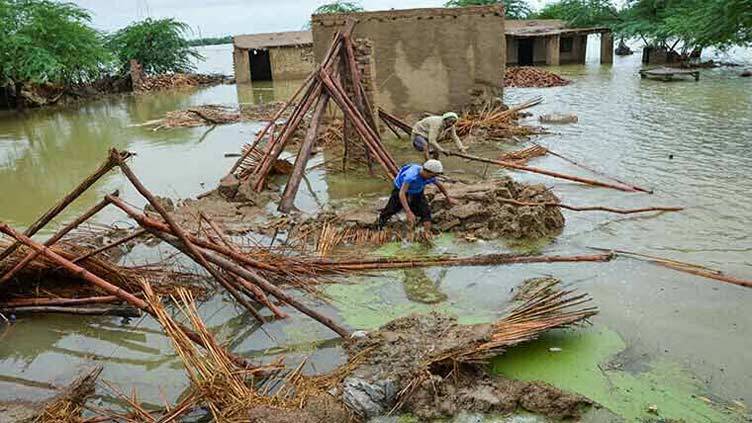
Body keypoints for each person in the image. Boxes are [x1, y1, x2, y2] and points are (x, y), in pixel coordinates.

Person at [378, 159, 456, 231]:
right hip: (401, 189)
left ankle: (426, 234)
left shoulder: (429, 176)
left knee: (426, 211)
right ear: (426, 171)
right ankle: (379, 227)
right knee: (391, 209)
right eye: (432, 176)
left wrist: (447, 197)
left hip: (417, 191)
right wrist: (408, 211)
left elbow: (439, 185)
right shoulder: (411, 176)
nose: (432, 178)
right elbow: (402, 193)